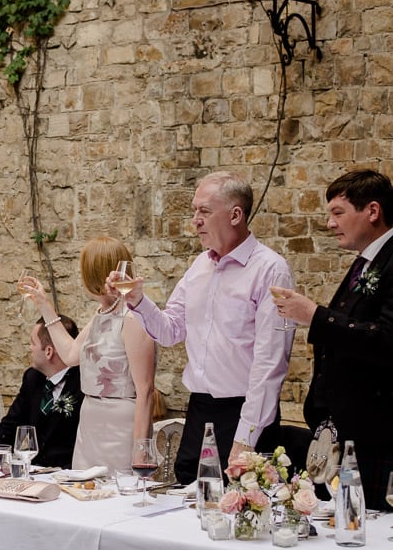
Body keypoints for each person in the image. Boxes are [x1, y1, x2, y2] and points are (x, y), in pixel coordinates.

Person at [115, 171, 294, 484]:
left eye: (204, 211)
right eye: (194, 211)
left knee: (244, 515)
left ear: (235, 215)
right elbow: (171, 331)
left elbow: (270, 364)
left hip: (246, 413)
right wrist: (138, 300)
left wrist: (245, 438)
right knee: (187, 500)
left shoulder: (270, 270)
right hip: (199, 410)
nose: (195, 220)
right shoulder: (199, 266)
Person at [271, 169, 393, 510]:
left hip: (380, 432)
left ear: (372, 211)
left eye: (338, 213)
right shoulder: (365, 263)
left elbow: (386, 340)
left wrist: (313, 315)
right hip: (350, 428)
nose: (330, 223)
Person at [25, 238, 156, 473]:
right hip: (91, 422)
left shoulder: (133, 317)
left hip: (120, 427)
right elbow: (70, 355)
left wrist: (140, 453)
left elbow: (145, 390)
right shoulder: (102, 314)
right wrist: (44, 305)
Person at [0, 315, 82, 469]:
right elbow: (11, 424)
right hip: (34, 470)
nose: (30, 348)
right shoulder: (32, 378)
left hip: (71, 473)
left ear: (49, 351)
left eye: (32, 343)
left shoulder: (83, 384)